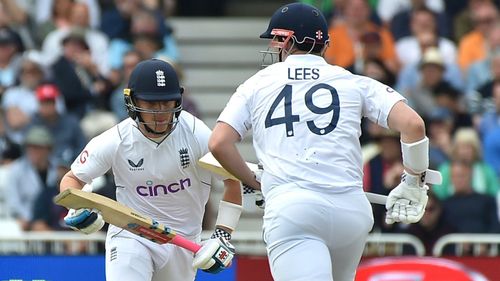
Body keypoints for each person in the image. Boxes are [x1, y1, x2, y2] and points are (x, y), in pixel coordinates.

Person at [208, 3, 441, 281]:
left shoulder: (257, 84)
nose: (274, 47)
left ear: (288, 39)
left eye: (277, 40)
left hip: (293, 208)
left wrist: (257, 182)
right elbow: (414, 125)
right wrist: (413, 183)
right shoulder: (352, 80)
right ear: (325, 44)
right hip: (351, 212)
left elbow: (219, 143)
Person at [58, 59, 242, 281]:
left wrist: (222, 235)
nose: (161, 112)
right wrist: (77, 209)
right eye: (152, 104)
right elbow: (72, 179)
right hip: (132, 234)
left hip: (182, 243)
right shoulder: (115, 140)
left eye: (167, 103)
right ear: (132, 101)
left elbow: (232, 180)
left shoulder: (197, 133)